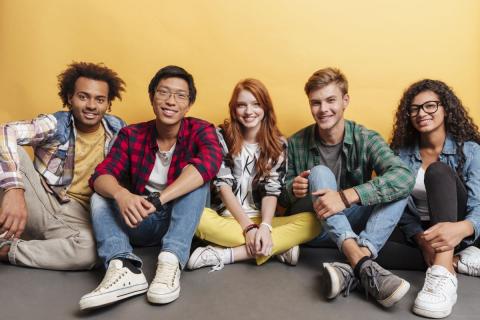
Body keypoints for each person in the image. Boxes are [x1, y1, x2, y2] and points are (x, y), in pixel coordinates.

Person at [79, 65, 222, 310]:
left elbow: (210, 162)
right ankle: (124, 266)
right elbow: (101, 175)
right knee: (101, 195)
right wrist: (122, 195)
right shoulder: (131, 135)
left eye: (180, 95)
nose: (170, 101)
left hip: (186, 220)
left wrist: (159, 199)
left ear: (188, 105)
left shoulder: (201, 129)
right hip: (141, 218)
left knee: (198, 179)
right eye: (163, 92)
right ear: (152, 97)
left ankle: (171, 260)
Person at [279, 67, 415, 307]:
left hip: (351, 226)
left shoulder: (365, 137)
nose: (323, 109)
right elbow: (276, 194)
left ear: (345, 101)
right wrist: (292, 188)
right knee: (319, 172)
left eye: (331, 100)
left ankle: (353, 263)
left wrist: (345, 196)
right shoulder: (296, 142)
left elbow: (403, 177)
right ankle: (362, 262)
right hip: (313, 227)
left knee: (400, 187)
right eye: (316, 103)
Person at [0, 62, 126, 270]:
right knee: (7, 146)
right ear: (70, 97)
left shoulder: (118, 129)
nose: (91, 105)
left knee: (90, 251)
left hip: (80, 217)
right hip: (42, 200)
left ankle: (8, 250)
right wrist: (15, 189)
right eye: (83, 96)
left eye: (100, 99)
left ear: (108, 104)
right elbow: (5, 132)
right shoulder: (56, 124)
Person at [186, 79, 321, 271]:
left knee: (315, 221)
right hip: (226, 219)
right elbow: (222, 186)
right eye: (242, 105)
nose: (249, 111)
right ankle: (277, 247)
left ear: (265, 107)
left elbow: (271, 190)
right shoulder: (220, 136)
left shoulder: (278, 144)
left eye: (256, 104)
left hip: (264, 220)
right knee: (194, 216)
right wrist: (248, 228)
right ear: (234, 109)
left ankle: (224, 254)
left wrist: (264, 227)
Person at [391, 79, 480, 318]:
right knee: (369, 247)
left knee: (438, 171)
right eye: (415, 108)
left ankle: (443, 273)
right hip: (421, 233)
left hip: (459, 228)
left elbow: (478, 202)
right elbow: (397, 206)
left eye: (430, 106)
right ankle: (460, 260)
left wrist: (464, 227)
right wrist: (420, 238)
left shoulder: (471, 150)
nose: (422, 113)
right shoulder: (399, 155)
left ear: (445, 109)